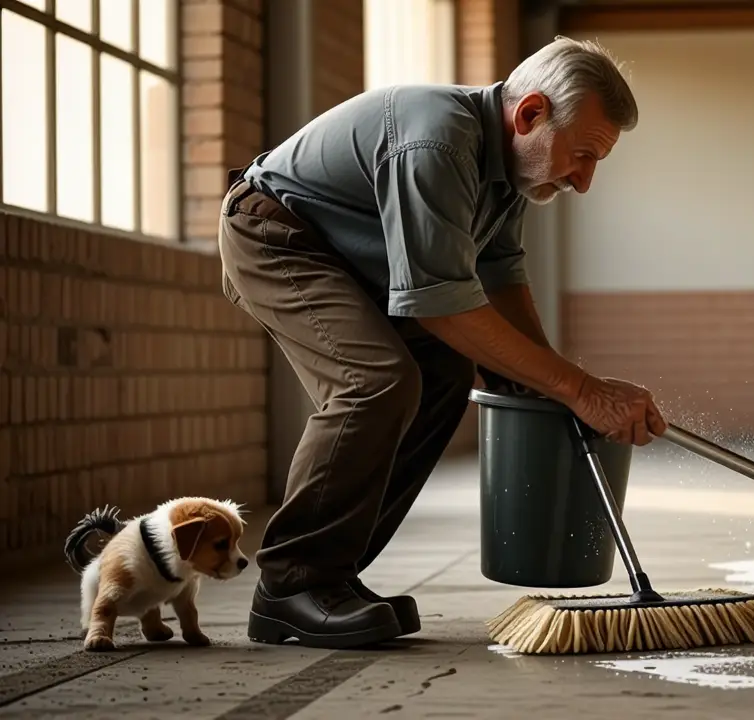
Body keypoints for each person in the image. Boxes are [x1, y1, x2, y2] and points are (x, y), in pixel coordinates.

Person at [216, 36, 667, 650]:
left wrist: (547, 381)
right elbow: (438, 302)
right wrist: (580, 389)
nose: (584, 182)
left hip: (347, 257)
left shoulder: (507, 168)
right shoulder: (437, 141)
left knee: (448, 373)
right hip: (275, 235)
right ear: (531, 114)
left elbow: (500, 273)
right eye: (583, 155)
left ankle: (330, 577)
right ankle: (292, 586)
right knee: (375, 381)